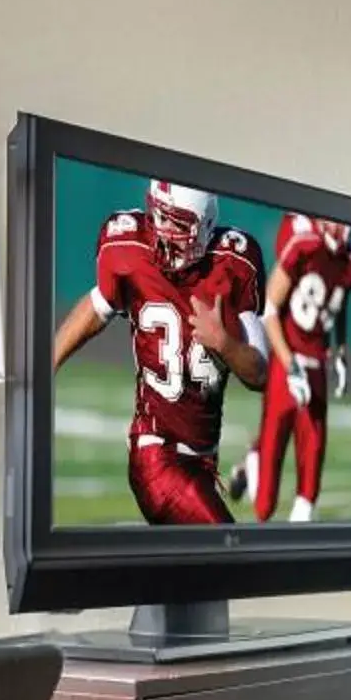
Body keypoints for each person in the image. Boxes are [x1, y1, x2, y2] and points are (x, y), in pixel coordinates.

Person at [51, 180, 267, 523]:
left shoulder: (233, 264)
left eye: (177, 223)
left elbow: (260, 374)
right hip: (157, 457)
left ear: (204, 226)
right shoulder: (130, 248)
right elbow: (97, 306)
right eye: (159, 217)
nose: (164, 231)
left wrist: (223, 342)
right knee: (230, 557)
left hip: (201, 462)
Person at [235, 213, 351, 521]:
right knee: (266, 490)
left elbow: (338, 301)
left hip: (317, 360)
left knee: (312, 469)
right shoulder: (302, 242)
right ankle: (255, 465)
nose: (340, 227)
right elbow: (270, 309)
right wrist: (290, 365)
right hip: (287, 356)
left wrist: (340, 351)